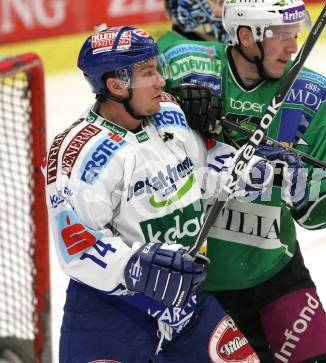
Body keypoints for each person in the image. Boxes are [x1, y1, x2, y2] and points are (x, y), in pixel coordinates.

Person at [158, 0, 326, 362]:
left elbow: (309, 206)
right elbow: (126, 124)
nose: (293, 46)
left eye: (295, 34)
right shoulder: (188, 66)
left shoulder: (312, 95)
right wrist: (171, 104)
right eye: (281, 36)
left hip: (276, 274)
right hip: (197, 289)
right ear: (246, 36)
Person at [42, 25, 263, 363]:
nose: (161, 81)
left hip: (186, 301)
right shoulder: (80, 154)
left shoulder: (170, 114)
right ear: (116, 86)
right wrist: (133, 265)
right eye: (148, 73)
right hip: (111, 310)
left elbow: (209, 167)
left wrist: (255, 168)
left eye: (156, 68)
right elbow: (77, 245)